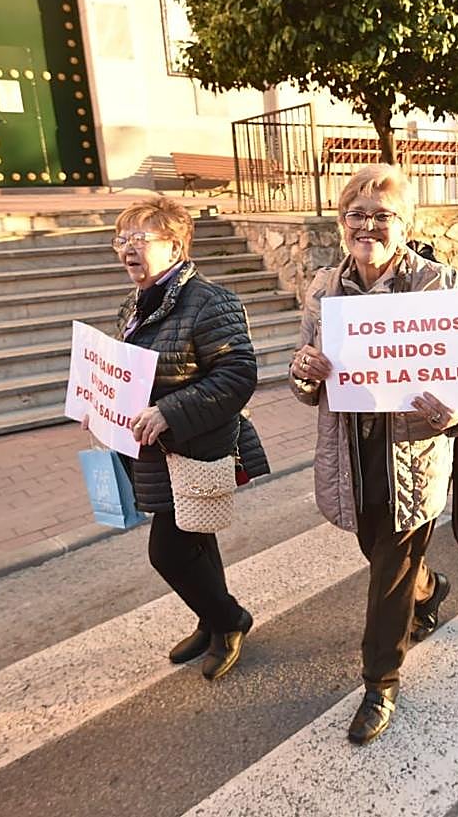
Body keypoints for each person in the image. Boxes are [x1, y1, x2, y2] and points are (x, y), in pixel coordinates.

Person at [289, 164, 458, 746]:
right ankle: (431, 588)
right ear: (341, 221)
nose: (366, 225)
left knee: (388, 574)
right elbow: (302, 376)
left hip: (412, 452)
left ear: (407, 223)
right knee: (379, 554)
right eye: (356, 213)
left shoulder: (436, 284)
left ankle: (380, 681)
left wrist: (456, 415)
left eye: (381, 214)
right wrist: (306, 374)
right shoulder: (323, 289)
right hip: (350, 450)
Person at [100, 196, 268, 681]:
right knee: (197, 543)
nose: (128, 251)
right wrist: (102, 405)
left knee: (169, 552)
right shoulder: (132, 304)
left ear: (174, 246)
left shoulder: (211, 301)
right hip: (153, 452)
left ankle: (231, 619)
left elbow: (238, 375)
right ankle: (213, 623)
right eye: (122, 240)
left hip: (197, 449)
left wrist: (169, 411)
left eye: (140, 240)